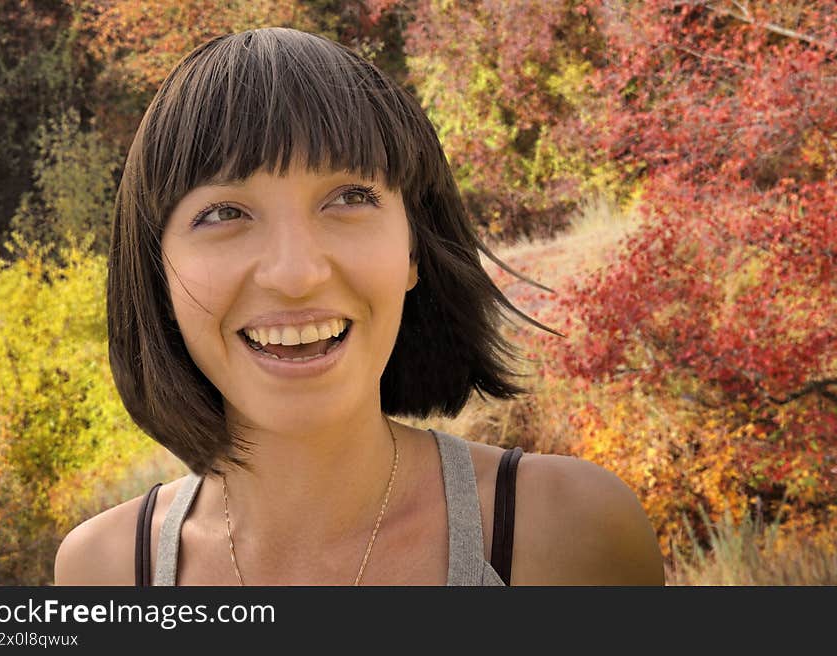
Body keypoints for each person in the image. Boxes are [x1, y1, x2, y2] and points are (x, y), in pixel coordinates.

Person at [54, 27, 665, 586]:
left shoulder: (570, 534)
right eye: (223, 213)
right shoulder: (105, 571)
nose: (296, 275)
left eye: (349, 197)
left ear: (413, 250)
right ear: (157, 270)